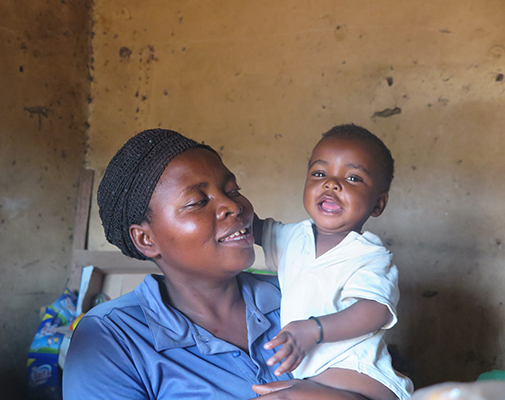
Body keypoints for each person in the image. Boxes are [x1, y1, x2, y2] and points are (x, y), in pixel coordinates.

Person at [62, 128, 373, 399]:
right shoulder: (112, 338)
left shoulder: (301, 294)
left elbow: (378, 373)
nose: (232, 206)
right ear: (146, 240)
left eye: (232, 190)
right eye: (198, 202)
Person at [253, 124, 414, 400]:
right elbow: (250, 227)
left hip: (363, 383)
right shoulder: (292, 238)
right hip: (316, 382)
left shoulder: (368, 255)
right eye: (319, 173)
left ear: (378, 204)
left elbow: (376, 311)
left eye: (353, 178)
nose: (332, 183)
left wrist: (313, 330)